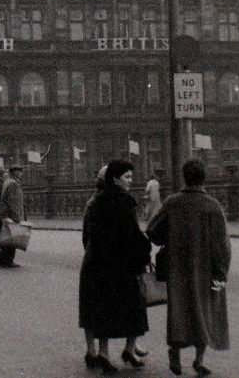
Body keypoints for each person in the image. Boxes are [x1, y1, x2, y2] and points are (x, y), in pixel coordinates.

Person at [146, 159, 230, 377]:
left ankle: (174, 350)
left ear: (184, 177)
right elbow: (222, 244)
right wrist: (221, 272)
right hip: (205, 269)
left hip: (177, 267)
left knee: (179, 309)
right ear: (204, 178)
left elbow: (153, 231)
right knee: (204, 311)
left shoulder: (173, 202)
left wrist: (171, 237)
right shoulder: (212, 206)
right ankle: (199, 360)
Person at [80, 160, 153, 373]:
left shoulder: (95, 201)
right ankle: (130, 349)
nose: (130, 181)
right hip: (122, 264)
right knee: (135, 307)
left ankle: (103, 353)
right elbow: (132, 234)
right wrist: (145, 250)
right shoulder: (125, 200)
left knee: (103, 308)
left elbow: (89, 234)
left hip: (98, 261)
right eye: (127, 177)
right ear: (115, 179)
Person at [0, 163, 26, 268]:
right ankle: (8, 260)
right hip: (11, 216)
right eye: (20, 171)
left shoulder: (8, 182)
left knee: (7, 238)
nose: (21, 173)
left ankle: (2, 259)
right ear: (15, 172)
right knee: (12, 239)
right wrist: (17, 217)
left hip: (7, 215)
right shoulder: (13, 184)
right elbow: (13, 201)